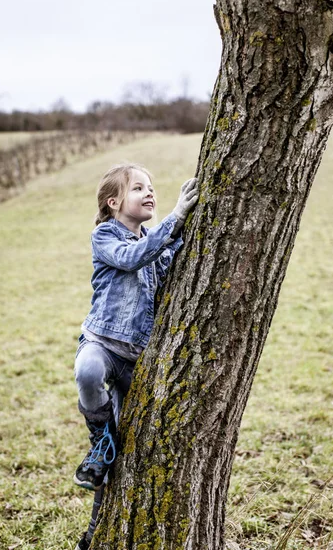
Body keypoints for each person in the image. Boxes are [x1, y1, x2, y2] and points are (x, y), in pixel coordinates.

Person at [73, 161, 199, 496]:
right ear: (113, 203)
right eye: (138, 188)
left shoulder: (155, 244)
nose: (149, 193)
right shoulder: (105, 236)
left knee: (125, 452)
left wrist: (187, 226)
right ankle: (99, 440)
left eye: (151, 187)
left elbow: (170, 254)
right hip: (102, 341)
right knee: (87, 373)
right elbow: (131, 258)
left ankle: (95, 531)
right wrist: (176, 218)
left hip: (137, 357)